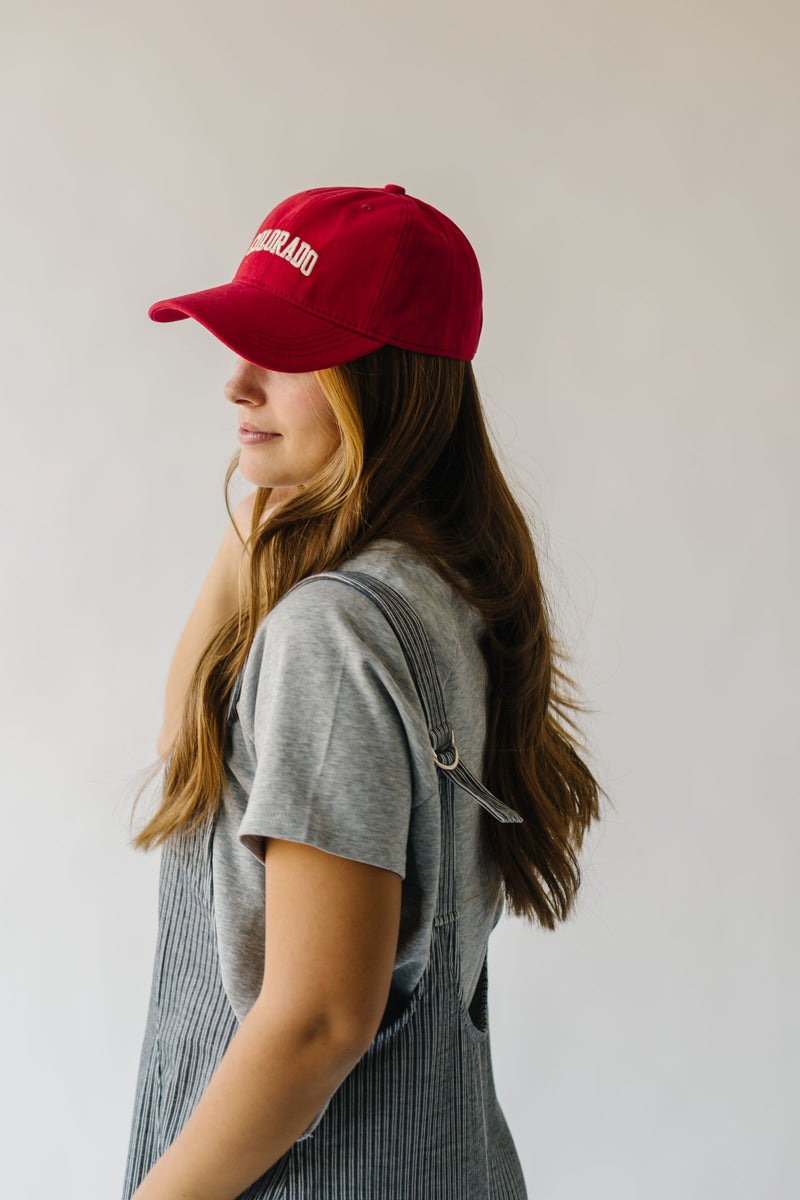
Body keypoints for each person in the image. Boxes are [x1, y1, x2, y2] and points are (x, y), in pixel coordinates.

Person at [122, 183, 604, 1200]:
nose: (236, 382)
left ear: (384, 383)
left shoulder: (331, 633)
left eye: (287, 352)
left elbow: (316, 1019)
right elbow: (193, 745)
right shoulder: (441, 591)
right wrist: (262, 511)